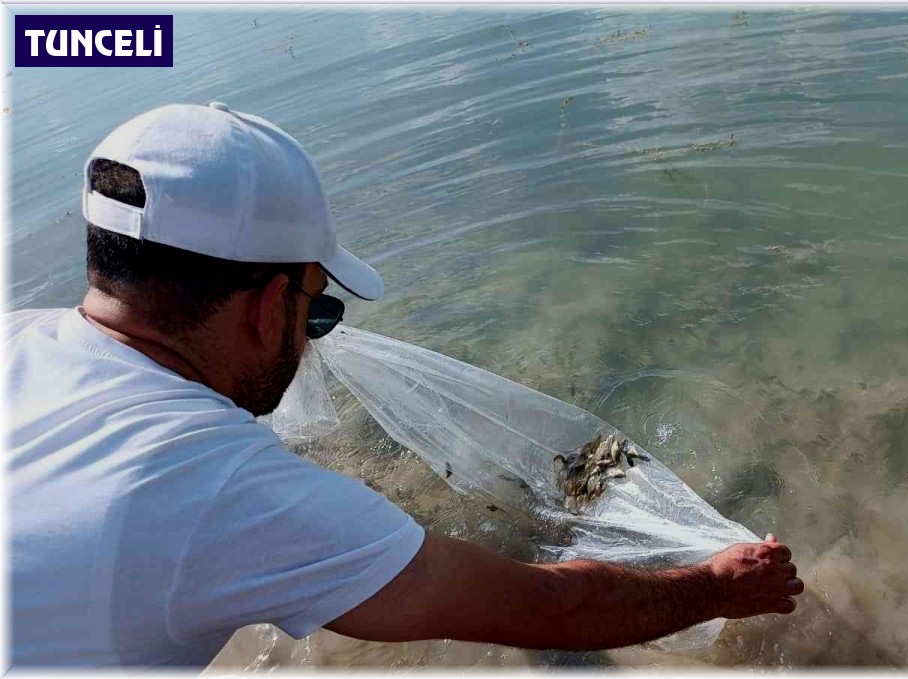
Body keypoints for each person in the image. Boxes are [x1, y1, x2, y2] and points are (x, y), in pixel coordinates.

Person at [6, 102, 804, 667]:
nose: (320, 334)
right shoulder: (215, 490)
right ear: (268, 304)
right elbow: (550, 607)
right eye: (318, 305)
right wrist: (715, 584)